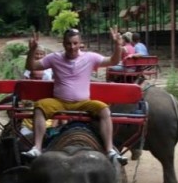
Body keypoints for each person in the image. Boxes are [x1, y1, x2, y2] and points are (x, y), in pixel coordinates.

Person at [21, 27, 127, 164]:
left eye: (75, 43)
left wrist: (118, 46)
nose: (72, 47)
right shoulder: (54, 58)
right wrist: (32, 50)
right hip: (59, 101)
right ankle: (37, 148)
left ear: (80, 43)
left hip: (83, 102)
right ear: (63, 44)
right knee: (39, 106)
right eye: (68, 44)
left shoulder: (90, 57)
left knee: (104, 109)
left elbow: (113, 61)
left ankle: (110, 150)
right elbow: (31, 67)